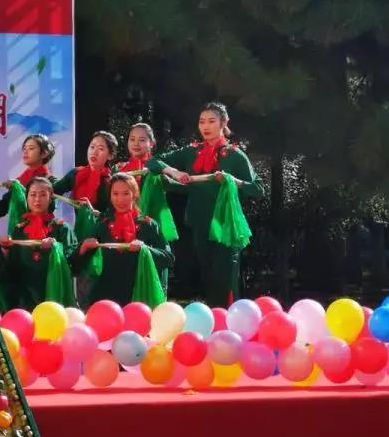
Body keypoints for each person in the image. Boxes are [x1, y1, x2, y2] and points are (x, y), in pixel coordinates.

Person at [150, 102, 264, 306]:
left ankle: (229, 319)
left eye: (211, 121)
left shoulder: (235, 155)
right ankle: (213, 320)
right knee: (208, 278)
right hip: (200, 223)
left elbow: (258, 189)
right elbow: (153, 161)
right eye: (202, 121)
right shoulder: (191, 152)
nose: (206, 126)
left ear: (224, 123)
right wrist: (174, 172)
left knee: (225, 279)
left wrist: (233, 181)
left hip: (226, 226)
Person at [74, 173, 173, 305]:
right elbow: (75, 264)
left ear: (135, 194)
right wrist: (84, 247)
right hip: (107, 296)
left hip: (140, 294)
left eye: (126, 193)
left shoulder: (148, 224)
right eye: (115, 194)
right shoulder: (103, 224)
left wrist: (145, 249)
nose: (120, 199)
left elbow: (168, 258)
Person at [0, 176, 77, 308]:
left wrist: (56, 246)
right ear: (26, 197)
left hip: (55, 294)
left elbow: (73, 263)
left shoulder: (62, 228)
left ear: (50, 198)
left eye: (42, 195)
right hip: (25, 297)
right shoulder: (19, 230)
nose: (37, 199)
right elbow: (12, 268)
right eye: (33, 194)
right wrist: (5, 249)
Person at [0, 133, 55, 219]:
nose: (25, 152)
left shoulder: (50, 181)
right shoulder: (20, 181)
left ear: (44, 154)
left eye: (31, 148)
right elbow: (0, 211)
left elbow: (49, 207)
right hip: (21, 227)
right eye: (24, 148)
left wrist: (19, 188)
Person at [51, 131, 118, 215]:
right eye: (92, 147)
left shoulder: (111, 182)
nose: (94, 152)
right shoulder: (76, 173)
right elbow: (53, 190)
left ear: (110, 155)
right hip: (79, 223)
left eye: (101, 149)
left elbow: (113, 213)